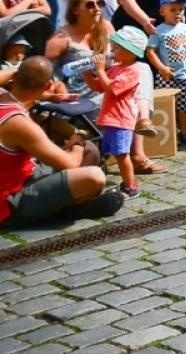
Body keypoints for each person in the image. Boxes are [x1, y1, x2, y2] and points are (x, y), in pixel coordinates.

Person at [0, 56, 122, 228]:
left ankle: (67, 205)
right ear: (48, 85)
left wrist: (28, 77)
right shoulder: (20, 124)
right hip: (8, 203)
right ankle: (66, 210)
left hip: (23, 173)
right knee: (94, 175)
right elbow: (70, 163)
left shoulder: (2, 96)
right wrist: (77, 141)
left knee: (90, 151)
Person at [88, 26, 155, 196]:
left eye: (116, 48)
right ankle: (126, 183)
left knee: (121, 155)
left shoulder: (132, 72)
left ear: (130, 51)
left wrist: (101, 70)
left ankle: (130, 187)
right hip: (110, 119)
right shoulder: (116, 68)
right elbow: (98, 87)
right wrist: (86, 74)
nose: (112, 52)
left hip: (121, 120)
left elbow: (111, 89)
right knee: (111, 152)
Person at [148, 0, 186, 145]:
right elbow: (150, 51)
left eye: (180, 9)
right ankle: (170, 133)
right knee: (167, 106)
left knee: (184, 105)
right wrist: (161, 68)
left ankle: (184, 131)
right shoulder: (158, 30)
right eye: (173, 10)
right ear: (162, 11)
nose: (177, 13)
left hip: (185, 75)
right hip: (167, 77)